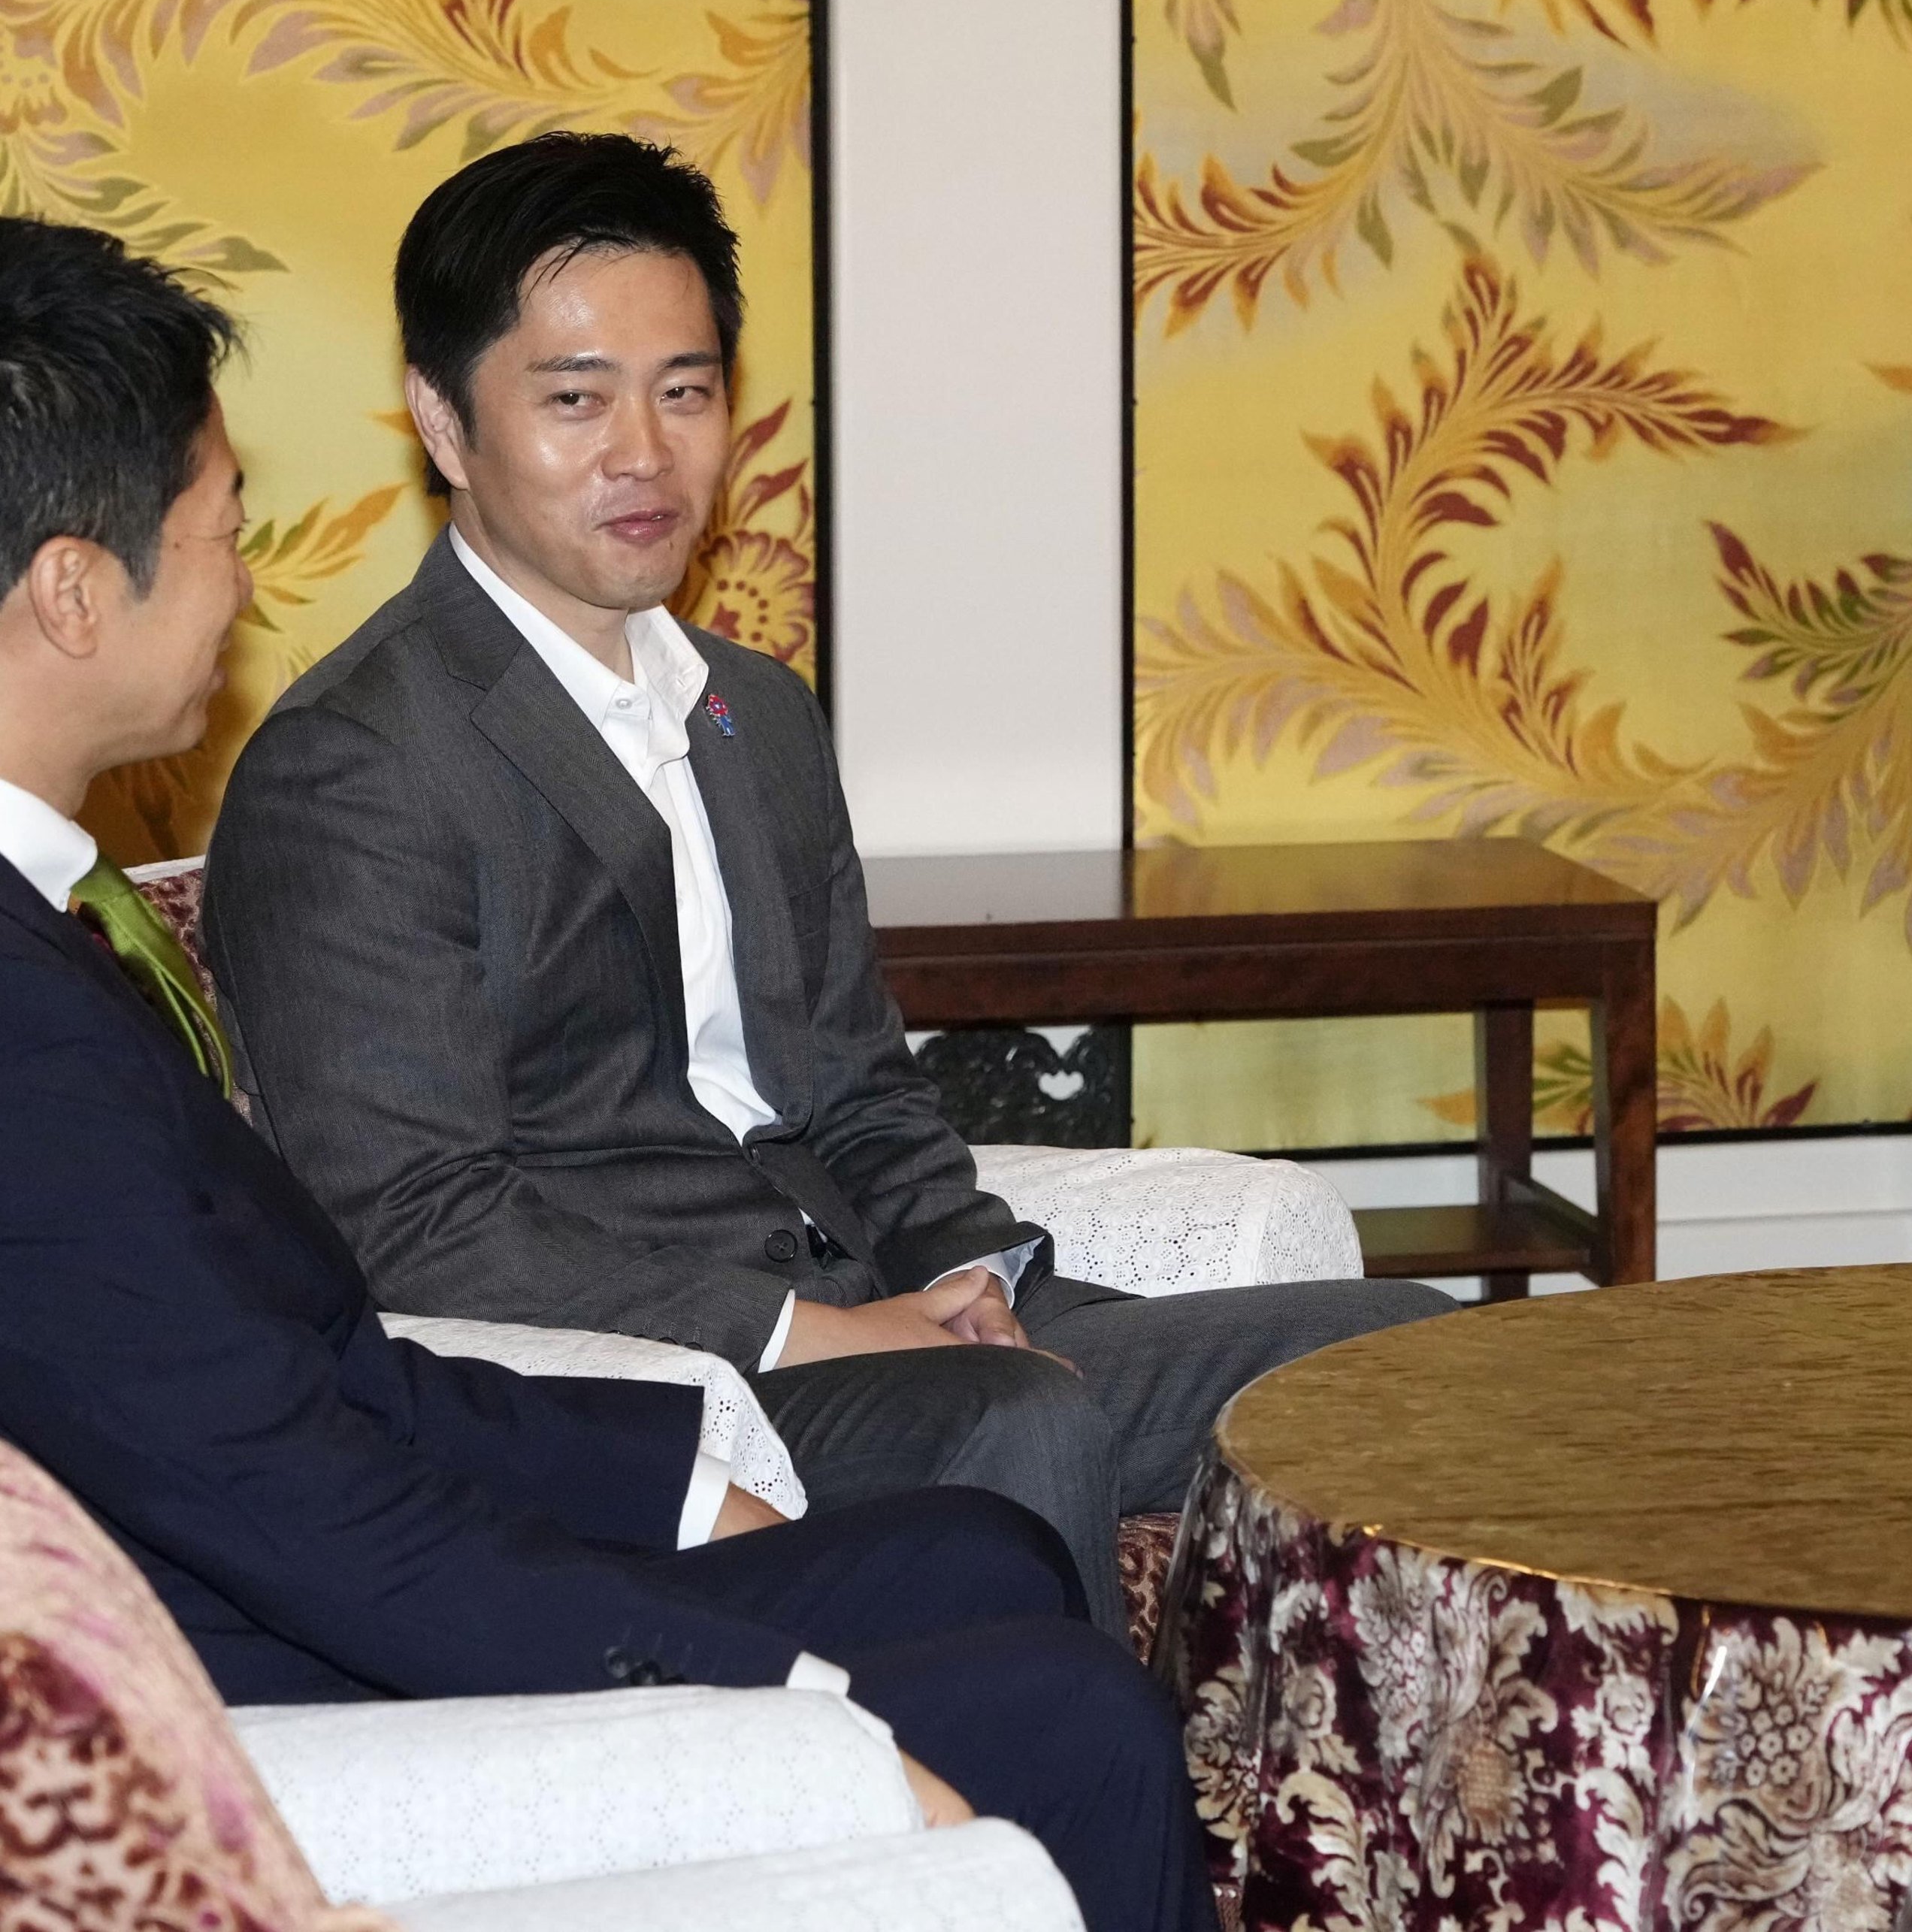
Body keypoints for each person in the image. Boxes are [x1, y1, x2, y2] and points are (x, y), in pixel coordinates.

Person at [0, 213, 1214, 1932]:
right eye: (221, 535)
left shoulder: (49, 923)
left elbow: (322, 1367)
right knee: (1072, 1710)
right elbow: (311, 1511)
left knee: (982, 1551)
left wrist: (656, 1475)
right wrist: (790, 1715)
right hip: (264, 1695)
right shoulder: (27, 1033)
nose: (248, 584)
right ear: (71, 586)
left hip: (334, 1540)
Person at [201, 133, 1448, 1631]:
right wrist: (815, 1333)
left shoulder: (755, 712)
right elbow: (415, 1217)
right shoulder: (358, 762)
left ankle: (1335, 1848)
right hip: (668, 1378)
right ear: (443, 423)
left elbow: (855, 1081)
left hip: (888, 1309)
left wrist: (966, 1267)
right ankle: (1078, 1851)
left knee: (1403, 1365)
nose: (645, 455)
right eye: (574, 400)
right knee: (1014, 1427)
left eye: (686, 390)